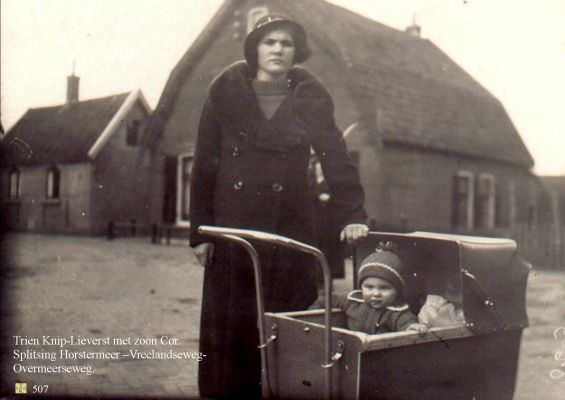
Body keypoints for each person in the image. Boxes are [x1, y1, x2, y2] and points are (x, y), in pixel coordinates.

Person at [189, 15, 369, 399]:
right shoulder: (224, 93)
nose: (277, 49)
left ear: (295, 52)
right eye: (269, 42)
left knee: (283, 325)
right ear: (255, 49)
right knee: (232, 328)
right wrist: (200, 233)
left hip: (288, 230)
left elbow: (336, 158)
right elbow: (204, 164)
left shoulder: (310, 98)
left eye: (286, 43)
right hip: (233, 233)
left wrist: (353, 214)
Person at [310, 248, 429, 335]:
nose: (376, 293)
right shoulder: (353, 300)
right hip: (353, 349)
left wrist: (412, 327)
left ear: (397, 291)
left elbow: (406, 322)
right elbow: (326, 300)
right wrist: (312, 316)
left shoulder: (396, 311)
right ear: (361, 286)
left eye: (384, 288)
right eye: (369, 287)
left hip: (379, 354)